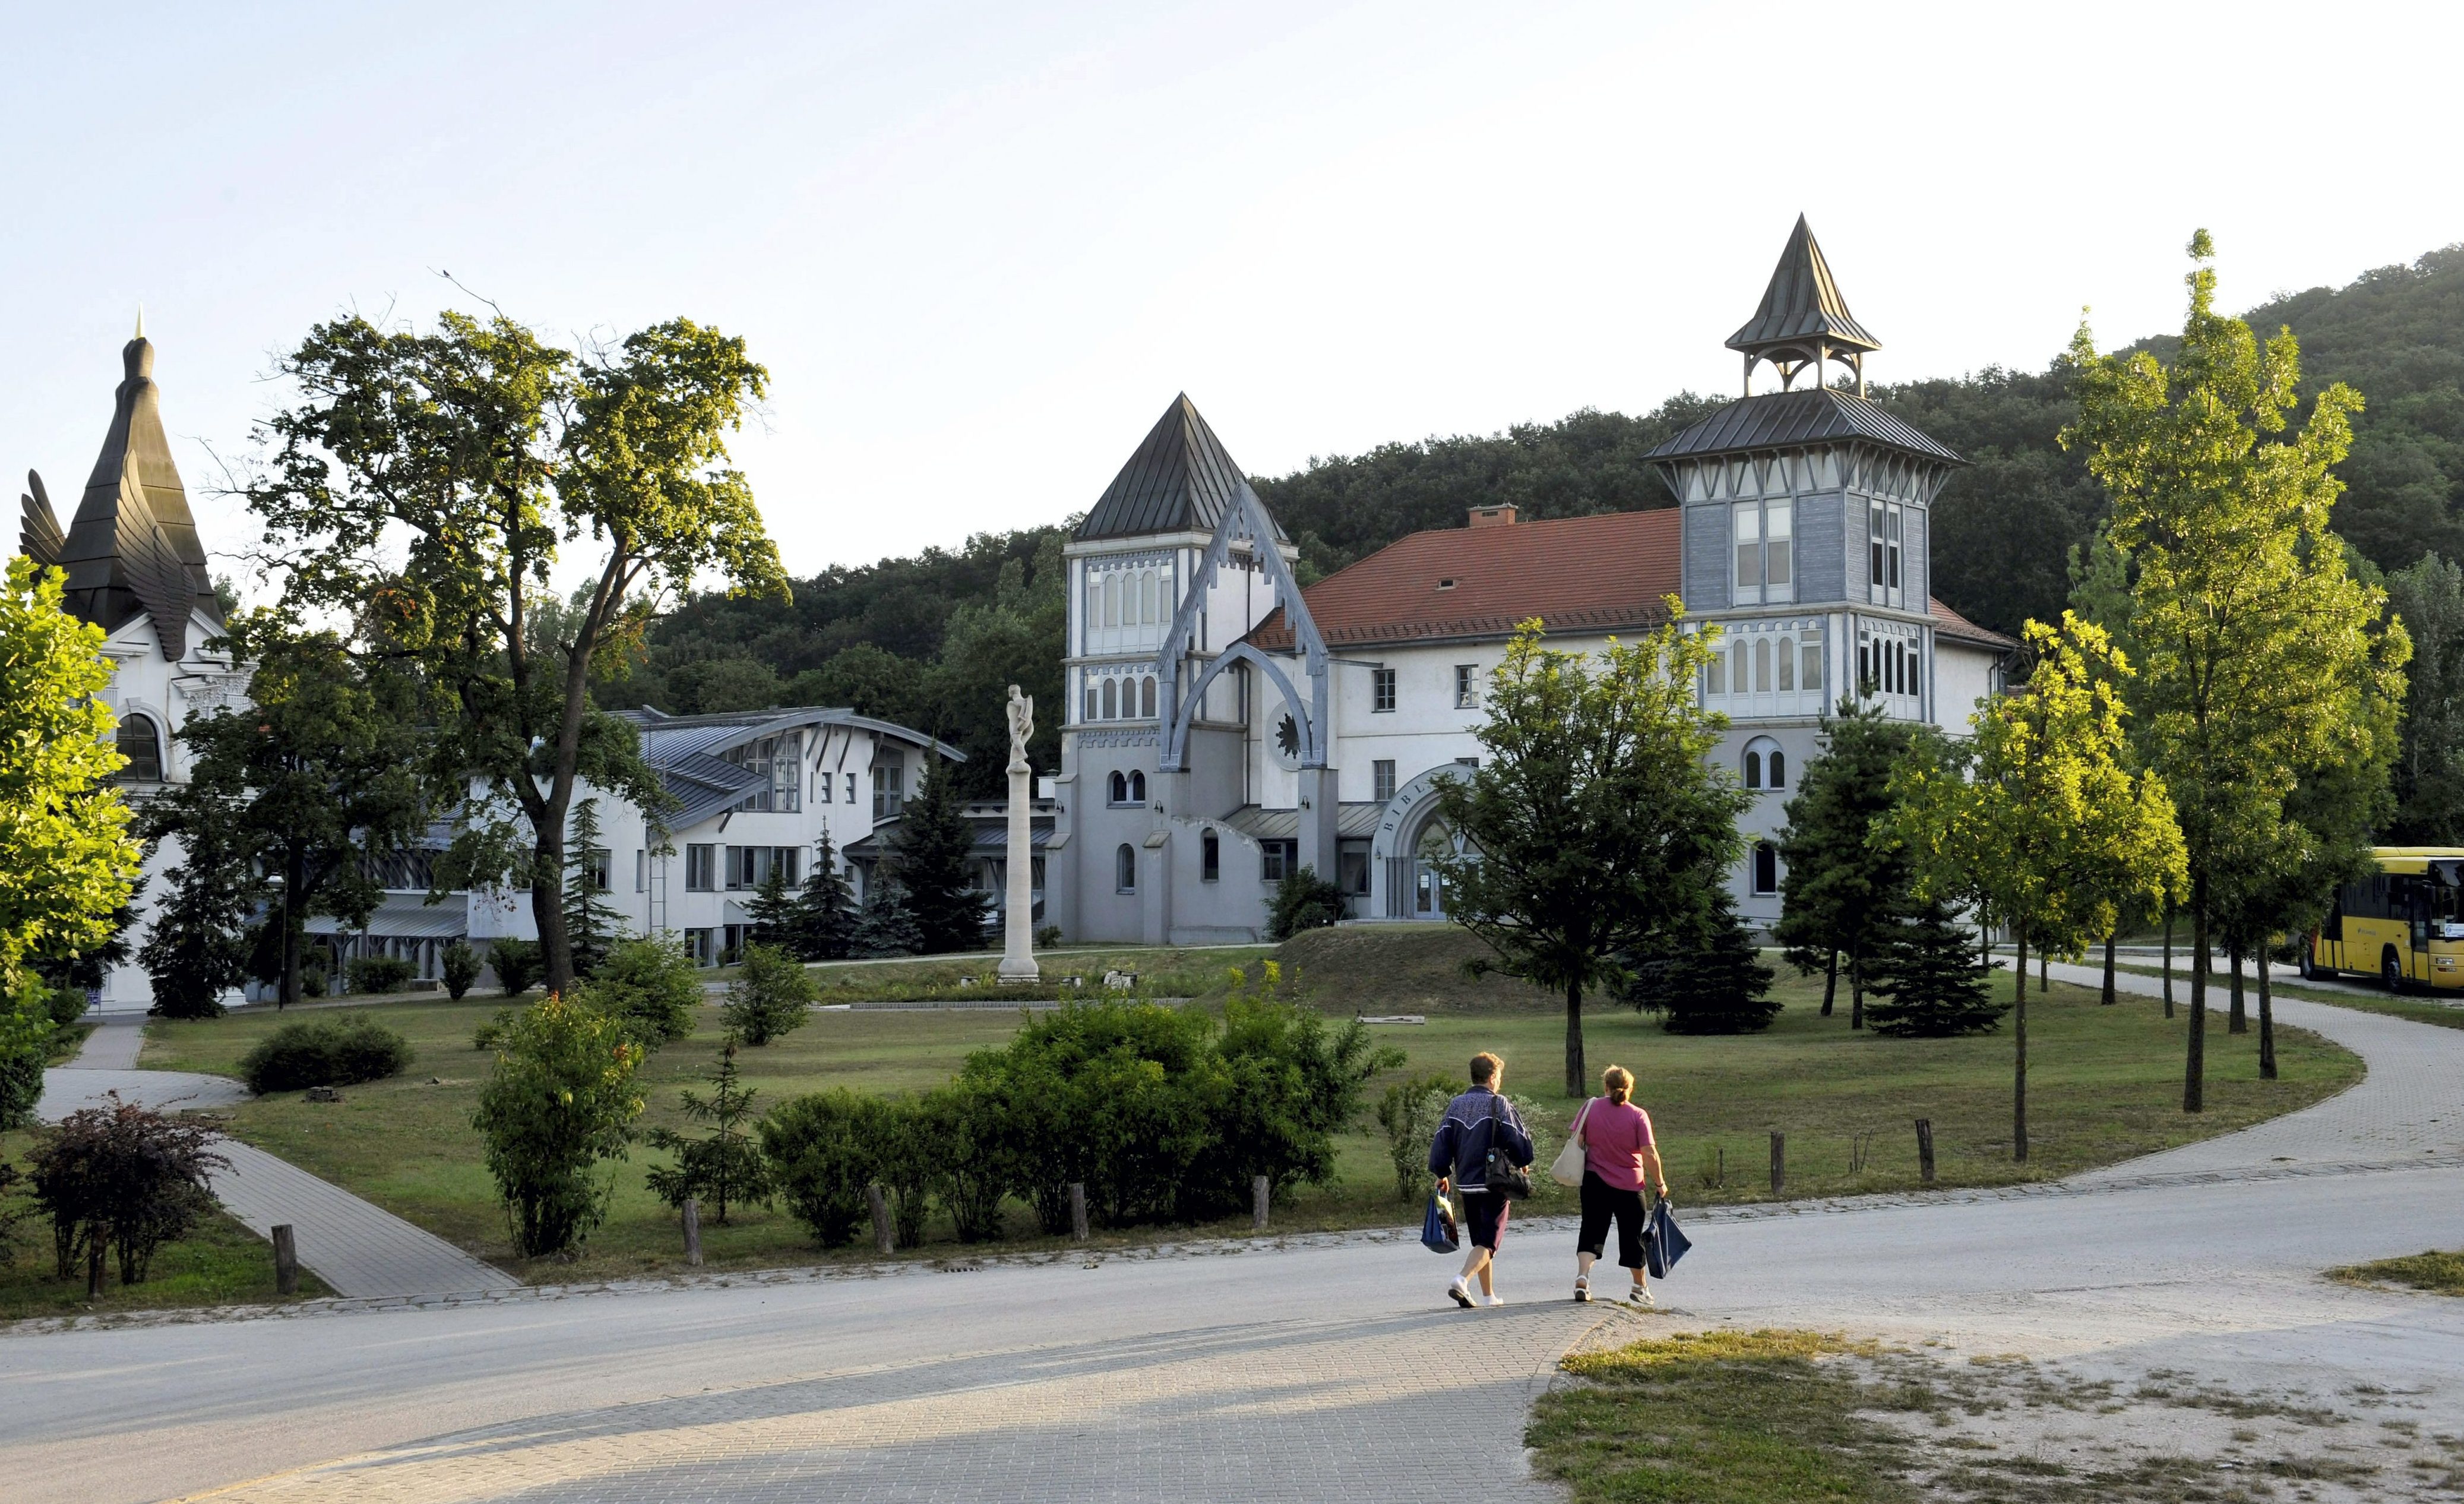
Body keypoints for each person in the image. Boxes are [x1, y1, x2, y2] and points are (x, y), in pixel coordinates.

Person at [1428, 1052, 1532, 1309]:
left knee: (1480, 1242)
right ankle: (1461, 1280)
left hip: (1466, 1184)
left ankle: (1488, 1296)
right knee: (1488, 1242)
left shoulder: (1456, 1105)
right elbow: (1519, 1142)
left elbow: (1441, 1143)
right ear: (1492, 1077)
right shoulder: (1500, 1104)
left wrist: (1442, 1173)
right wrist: (1522, 1160)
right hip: (1494, 1183)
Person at [1569, 1063, 1666, 1307]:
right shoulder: (1638, 1115)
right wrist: (1660, 1183)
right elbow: (1649, 1153)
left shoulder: (1590, 1108)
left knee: (1591, 1231)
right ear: (1630, 1089)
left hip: (1594, 1181)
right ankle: (1639, 1287)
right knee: (1632, 1237)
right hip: (1630, 1186)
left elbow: (1577, 1140)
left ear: (1605, 1086)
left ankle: (1583, 1279)